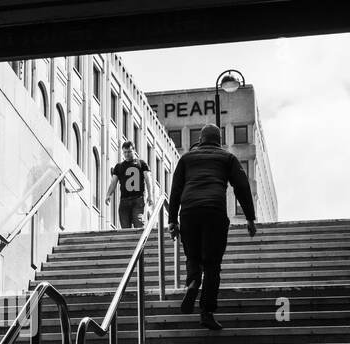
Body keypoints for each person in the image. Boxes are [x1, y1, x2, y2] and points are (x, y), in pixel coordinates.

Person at [167, 123, 257, 330]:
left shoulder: (186, 159)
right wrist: (250, 218)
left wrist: (172, 220)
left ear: (200, 139)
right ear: (219, 140)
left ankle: (192, 283)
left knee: (193, 257)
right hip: (214, 212)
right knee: (212, 265)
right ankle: (206, 312)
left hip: (189, 212)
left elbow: (175, 189)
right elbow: (242, 186)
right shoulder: (227, 158)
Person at [108, 140, 152, 229]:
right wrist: (108, 194)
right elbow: (113, 182)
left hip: (138, 199)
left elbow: (148, 179)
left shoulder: (141, 163)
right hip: (124, 200)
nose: (127, 154)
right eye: (125, 152)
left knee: (139, 226)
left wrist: (150, 195)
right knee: (125, 229)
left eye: (129, 152)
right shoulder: (119, 166)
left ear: (134, 151)